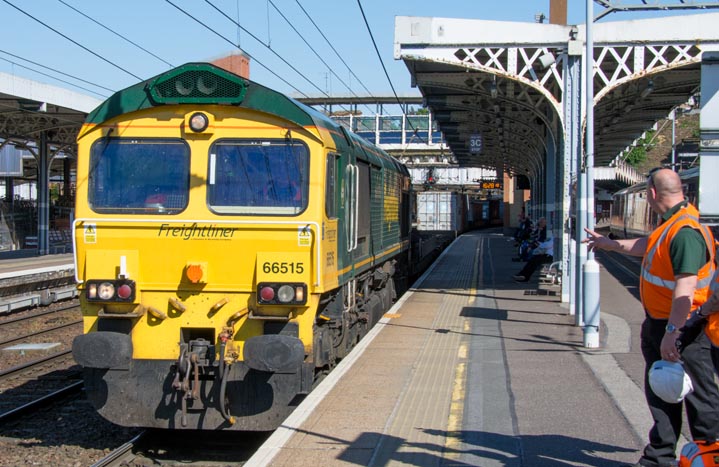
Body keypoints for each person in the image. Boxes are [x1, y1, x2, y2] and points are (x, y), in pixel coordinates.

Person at [584, 168, 719, 467]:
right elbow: (649, 247)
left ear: (653, 194)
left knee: (697, 394)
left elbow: (686, 286)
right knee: (663, 390)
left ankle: (709, 454)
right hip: (664, 324)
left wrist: (673, 331)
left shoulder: (685, 231)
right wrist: (610, 244)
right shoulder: (671, 225)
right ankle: (659, 457)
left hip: (685, 326)